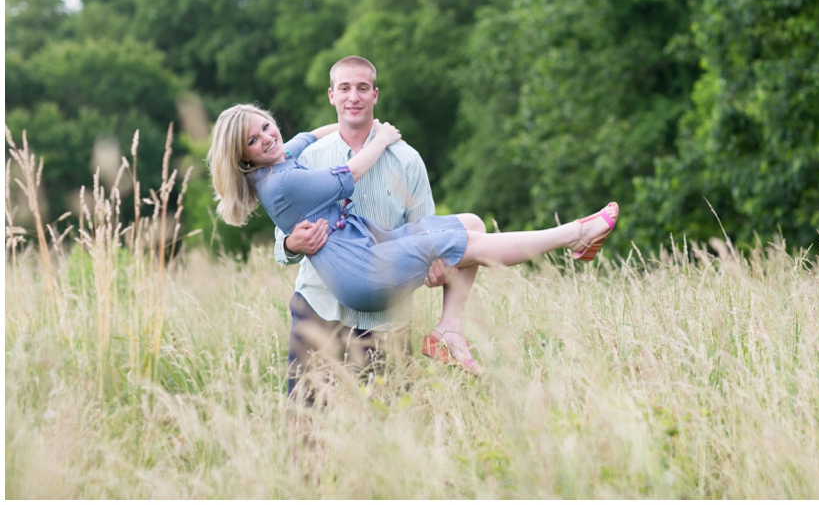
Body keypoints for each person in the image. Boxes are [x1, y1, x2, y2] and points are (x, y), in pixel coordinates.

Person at [207, 98, 620, 380]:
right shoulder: (283, 181)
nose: (266, 137)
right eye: (253, 141)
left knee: (472, 224)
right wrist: (382, 138)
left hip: (374, 250)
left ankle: (449, 328)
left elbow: (310, 135)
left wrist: (359, 125)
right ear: (245, 157)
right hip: (356, 282)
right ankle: (574, 235)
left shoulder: (284, 156)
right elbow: (350, 174)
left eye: (265, 126)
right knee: (311, 419)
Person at [274, 56, 456, 402]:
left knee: (387, 428)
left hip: (386, 316)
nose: (353, 97)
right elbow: (280, 244)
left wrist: (436, 268)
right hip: (319, 311)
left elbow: (425, 234)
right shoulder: (310, 159)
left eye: (361, 88)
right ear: (331, 96)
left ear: (375, 95)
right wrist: (291, 243)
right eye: (344, 88)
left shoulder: (407, 160)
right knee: (306, 421)